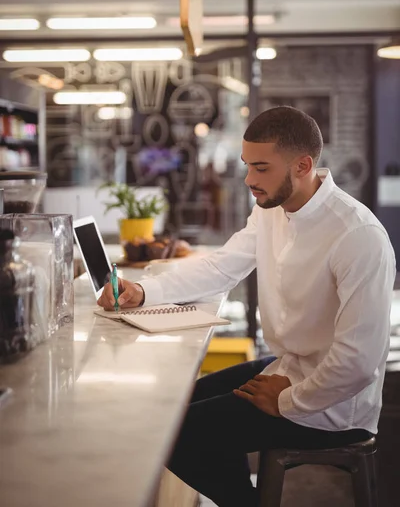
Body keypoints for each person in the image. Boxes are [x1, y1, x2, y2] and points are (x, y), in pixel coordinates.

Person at [98, 106, 396, 507]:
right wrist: (144, 290)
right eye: (247, 166)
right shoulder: (272, 208)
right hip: (290, 367)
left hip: (336, 404)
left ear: (303, 165)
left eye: (261, 168)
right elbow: (223, 266)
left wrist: (288, 400)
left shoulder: (358, 237)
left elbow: (358, 362)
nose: (249, 180)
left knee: (171, 434)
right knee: (171, 409)